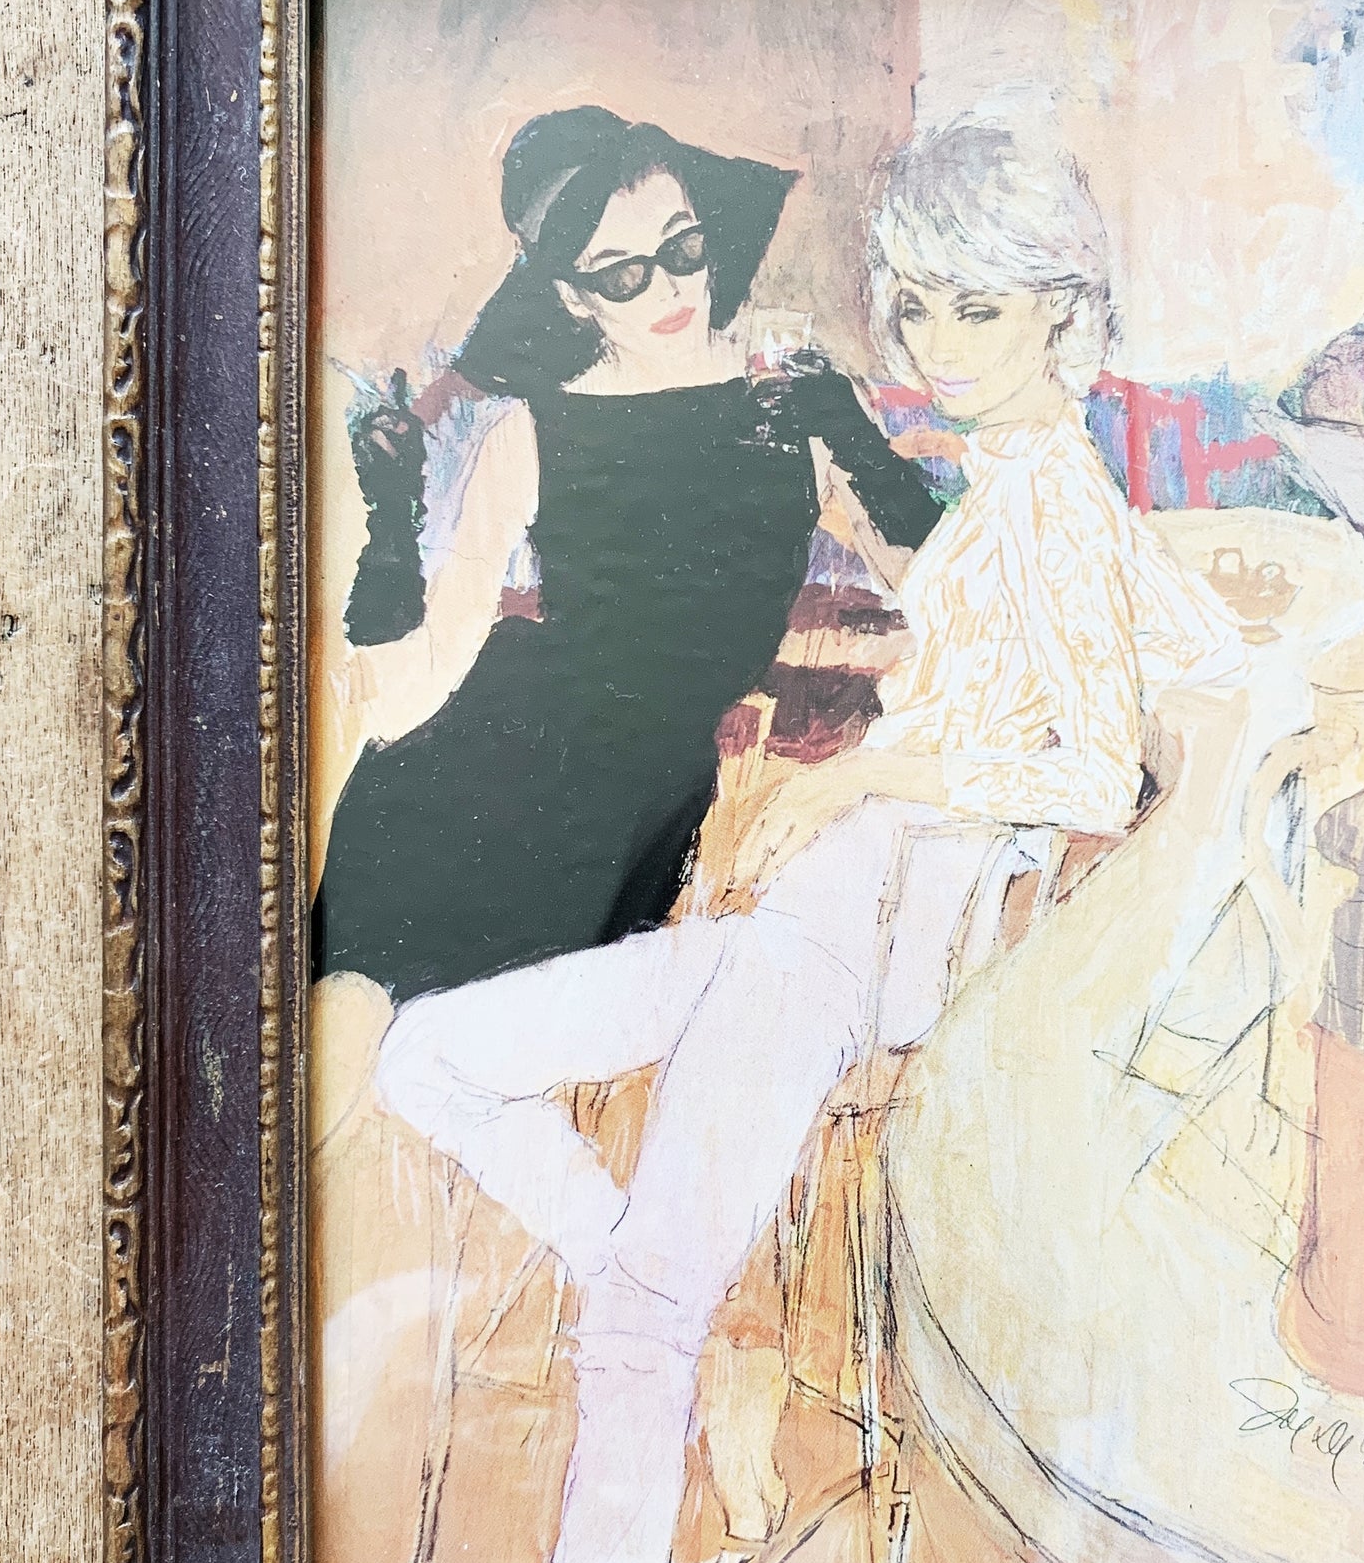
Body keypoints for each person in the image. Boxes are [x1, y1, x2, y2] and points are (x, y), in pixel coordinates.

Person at [374, 117, 1251, 1563]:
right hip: (807, 920)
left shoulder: (1050, 498)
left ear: (1063, 309)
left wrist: (862, 776)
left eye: (975, 305)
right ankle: (647, 1278)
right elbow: (1183, 644)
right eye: (915, 303)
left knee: (644, 1302)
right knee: (422, 1056)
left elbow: (1092, 769)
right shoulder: (1026, 485)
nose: (935, 340)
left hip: (863, 934)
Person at [312, 103, 946, 999]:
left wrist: (859, 445)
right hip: (477, 772)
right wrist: (390, 517)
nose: (669, 291)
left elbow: (949, 590)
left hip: (637, 806)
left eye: (683, 249)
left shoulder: (796, 404)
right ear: (572, 295)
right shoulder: (527, 431)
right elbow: (415, 690)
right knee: (353, 1013)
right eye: (622, 274)